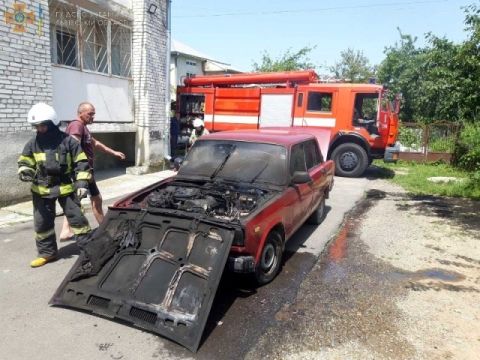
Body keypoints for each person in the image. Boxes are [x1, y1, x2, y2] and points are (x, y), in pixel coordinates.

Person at [18, 103, 93, 267]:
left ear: (52, 123)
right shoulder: (33, 143)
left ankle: (90, 251)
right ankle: (47, 253)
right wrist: (25, 170)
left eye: (42, 125)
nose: (39, 129)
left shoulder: (68, 142)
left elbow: (81, 163)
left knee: (78, 220)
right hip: (41, 190)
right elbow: (25, 161)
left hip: (66, 188)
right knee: (42, 223)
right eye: (36, 126)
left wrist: (81, 184)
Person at [59, 102, 126, 241]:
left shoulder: (83, 128)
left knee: (77, 201)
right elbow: (72, 148)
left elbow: (95, 143)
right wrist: (77, 171)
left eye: (93, 113)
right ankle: (105, 229)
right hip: (81, 172)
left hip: (85, 171)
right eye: (90, 113)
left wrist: (114, 152)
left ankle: (66, 231)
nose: (93, 117)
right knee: (95, 199)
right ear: (80, 113)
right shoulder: (76, 126)